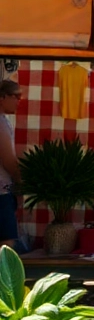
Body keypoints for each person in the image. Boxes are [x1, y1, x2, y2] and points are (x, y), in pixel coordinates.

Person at [0, 80, 22, 248]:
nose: (18, 101)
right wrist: (20, 183)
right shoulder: (1, 123)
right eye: (16, 96)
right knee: (6, 246)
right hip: (1, 192)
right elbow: (8, 160)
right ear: (3, 97)